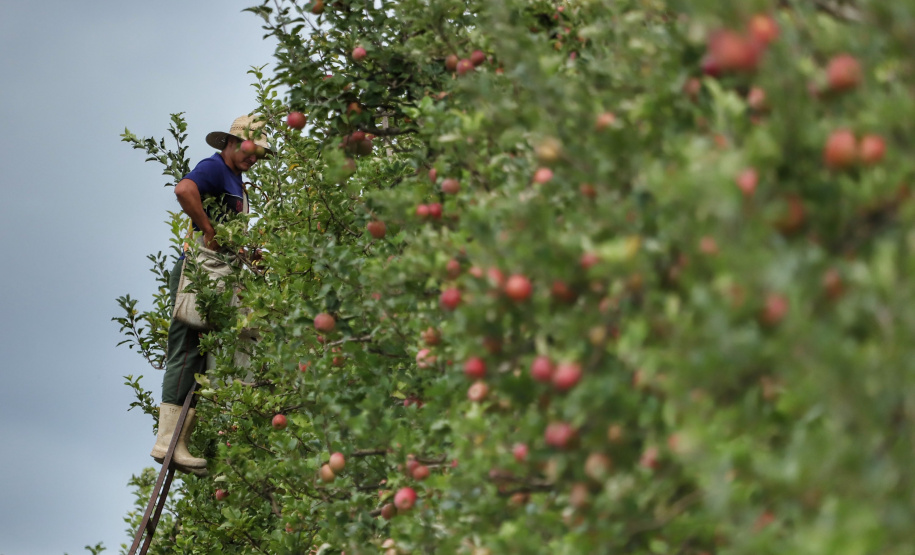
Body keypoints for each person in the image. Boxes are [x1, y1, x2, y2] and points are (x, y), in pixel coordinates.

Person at [149, 114, 270, 476]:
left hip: (217, 276)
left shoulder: (237, 182)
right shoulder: (214, 167)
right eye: (250, 149)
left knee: (209, 353)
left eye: (259, 154)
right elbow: (184, 190)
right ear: (231, 143)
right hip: (198, 274)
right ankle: (167, 441)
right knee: (186, 348)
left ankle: (186, 440)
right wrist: (207, 229)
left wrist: (250, 255)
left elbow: (227, 239)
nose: (254, 158)